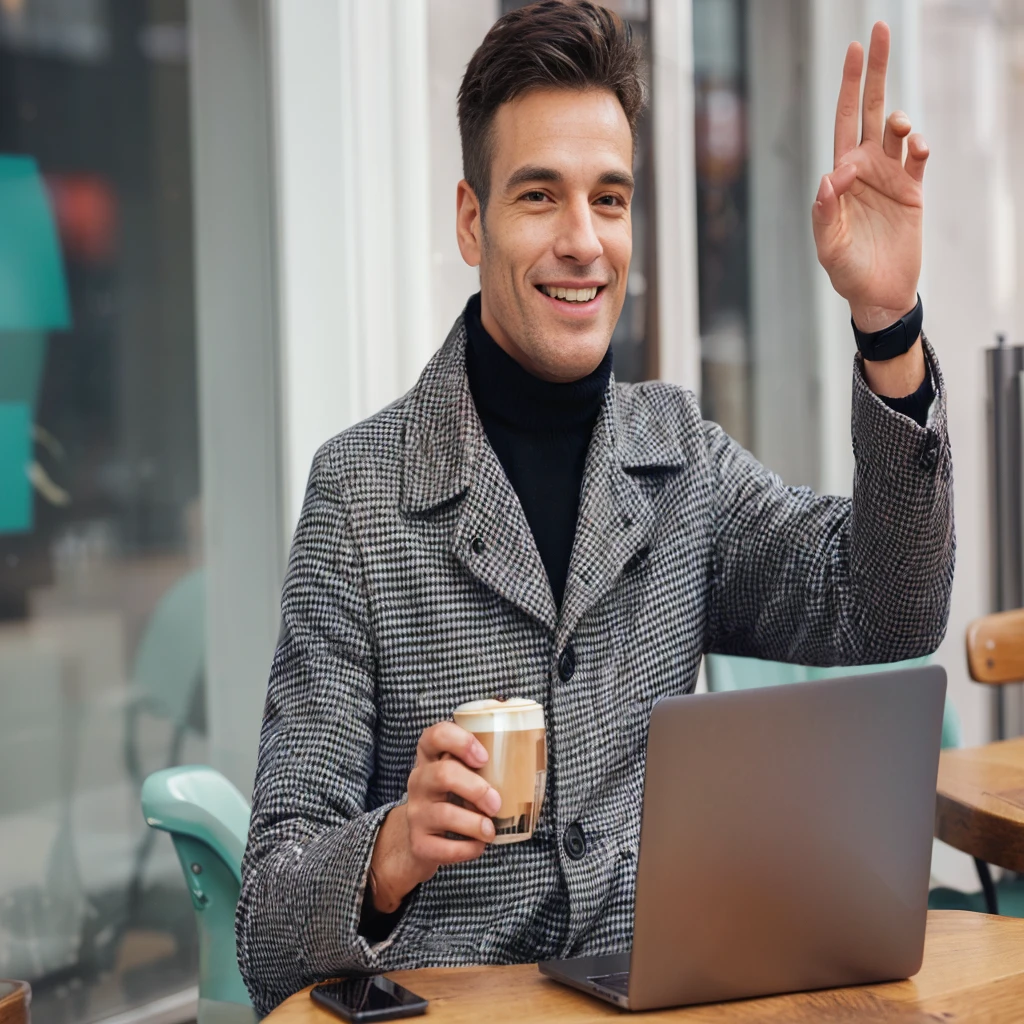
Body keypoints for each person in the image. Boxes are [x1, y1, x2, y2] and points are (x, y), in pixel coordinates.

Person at [236, 1, 953, 1013]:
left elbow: (891, 605)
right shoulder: (359, 498)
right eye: (540, 196)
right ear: (472, 218)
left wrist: (887, 324)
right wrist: (387, 851)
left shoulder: (681, 460)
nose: (583, 241)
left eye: (609, 200)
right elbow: (266, 919)